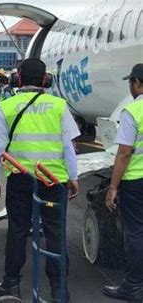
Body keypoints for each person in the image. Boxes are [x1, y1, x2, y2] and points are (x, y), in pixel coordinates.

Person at [0, 58, 80, 302]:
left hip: (21, 178)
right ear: (46, 80)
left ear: (18, 79)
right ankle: (59, 290)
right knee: (55, 231)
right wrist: (74, 177)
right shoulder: (59, 105)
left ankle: (11, 283)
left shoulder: (8, 106)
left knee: (17, 229)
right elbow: (69, 148)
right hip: (53, 179)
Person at [103, 63, 143, 302]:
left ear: (137, 83)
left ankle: (134, 286)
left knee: (136, 233)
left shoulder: (132, 111)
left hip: (136, 181)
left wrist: (113, 186)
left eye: (131, 82)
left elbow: (124, 153)